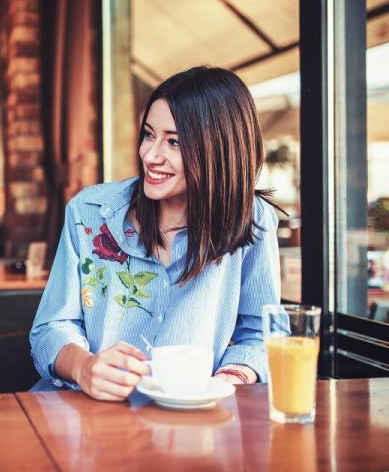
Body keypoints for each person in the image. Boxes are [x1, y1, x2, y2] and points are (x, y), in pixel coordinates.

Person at [30, 66, 280, 401]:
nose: (149, 155)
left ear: (219, 150)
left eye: (174, 142)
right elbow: (49, 329)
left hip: (194, 420)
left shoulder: (252, 220)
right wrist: (84, 367)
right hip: (87, 412)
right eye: (149, 135)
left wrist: (229, 378)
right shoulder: (88, 212)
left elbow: (263, 335)